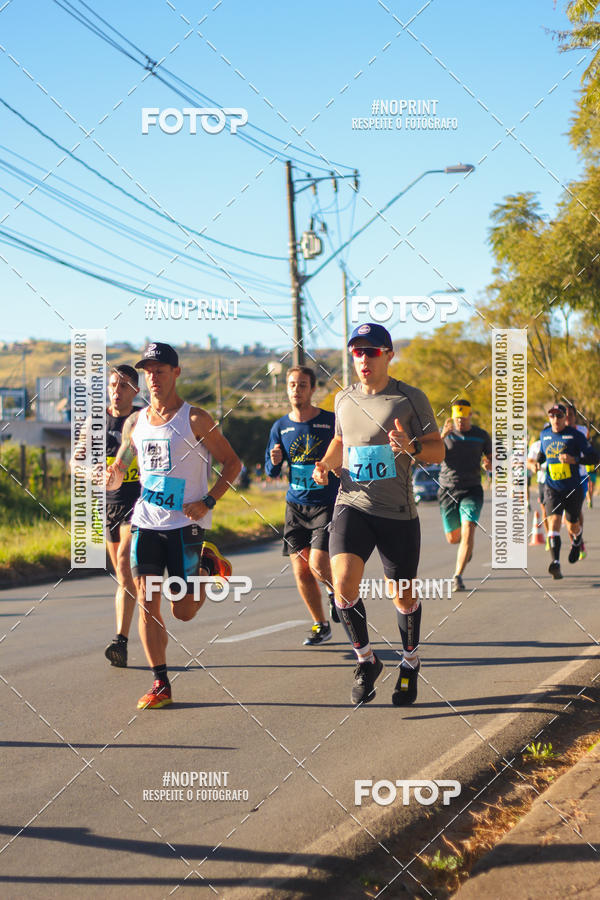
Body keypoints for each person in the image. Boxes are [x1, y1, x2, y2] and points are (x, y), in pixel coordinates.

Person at [312, 323, 444, 706]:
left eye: (372, 351)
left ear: (388, 354)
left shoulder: (410, 399)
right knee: (343, 582)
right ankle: (367, 661)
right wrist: (324, 465)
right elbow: (341, 440)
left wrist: (412, 445)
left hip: (397, 512)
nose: (364, 359)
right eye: (357, 351)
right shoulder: (343, 399)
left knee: (402, 596)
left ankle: (409, 661)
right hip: (352, 502)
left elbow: (438, 451)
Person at [106, 342, 241, 708]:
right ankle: (160, 682)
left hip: (186, 524)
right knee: (148, 601)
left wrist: (209, 500)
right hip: (146, 522)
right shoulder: (135, 422)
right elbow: (119, 465)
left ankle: (206, 566)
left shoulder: (195, 419)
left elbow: (232, 463)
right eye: (148, 371)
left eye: (160, 371)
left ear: (175, 373)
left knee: (182, 611)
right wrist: (113, 474)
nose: (153, 378)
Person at [265, 366, 339, 645]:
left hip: (325, 504)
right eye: (292, 385)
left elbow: (344, 450)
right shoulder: (280, 427)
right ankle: (321, 625)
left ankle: (334, 595)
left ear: (312, 389)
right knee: (300, 570)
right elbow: (271, 472)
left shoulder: (330, 421)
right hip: (295, 506)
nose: (297, 389)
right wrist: (273, 462)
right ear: (287, 389)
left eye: (303, 385)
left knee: (319, 564)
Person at [104, 365, 142, 667]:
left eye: (124, 386)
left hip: (138, 503)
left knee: (123, 565)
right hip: (109, 506)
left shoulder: (142, 419)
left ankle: (120, 639)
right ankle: (135, 632)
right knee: (125, 578)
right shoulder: (95, 423)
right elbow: (74, 463)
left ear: (135, 391)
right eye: (113, 385)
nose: (117, 391)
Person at [536, 403, 598, 579]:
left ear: (565, 418)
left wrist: (575, 459)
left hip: (573, 488)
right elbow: (542, 454)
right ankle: (555, 563)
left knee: (572, 525)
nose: (555, 419)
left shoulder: (576, 436)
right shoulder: (544, 434)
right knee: (554, 524)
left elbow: (594, 457)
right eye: (552, 416)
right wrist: (536, 462)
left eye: (559, 416)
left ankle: (577, 539)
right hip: (552, 487)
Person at [437, 400, 492, 592]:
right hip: (447, 490)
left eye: (463, 418)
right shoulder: (444, 434)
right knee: (453, 538)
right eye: (456, 418)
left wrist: (489, 464)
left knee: (469, 526)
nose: (460, 422)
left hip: (471, 489)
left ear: (470, 416)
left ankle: (457, 576)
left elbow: (492, 457)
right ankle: (466, 548)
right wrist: (441, 436)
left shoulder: (480, 435)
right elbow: (429, 456)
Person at [565, 402, 590, 559]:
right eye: (565, 415)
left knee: (576, 510)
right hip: (563, 478)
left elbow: (587, 451)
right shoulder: (556, 431)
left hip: (580, 476)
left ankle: (577, 538)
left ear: (575, 416)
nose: (568, 418)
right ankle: (574, 542)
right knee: (568, 514)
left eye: (571, 415)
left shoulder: (582, 431)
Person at [527, 435, 548, 547]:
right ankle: (550, 535)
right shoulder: (537, 445)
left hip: (558, 481)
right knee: (544, 509)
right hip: (542, 481)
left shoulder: (562, 441)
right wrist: (533, 466)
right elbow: (529, 461)